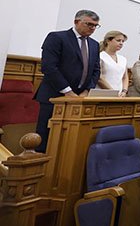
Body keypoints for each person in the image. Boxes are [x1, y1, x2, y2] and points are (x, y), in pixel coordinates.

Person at [34, 9, 101, 152]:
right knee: (45, 136)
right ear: (76, 22)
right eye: (89, 24)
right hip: (54, 95)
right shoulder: (57, 37)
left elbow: (96, 70)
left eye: (96, 25)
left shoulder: (94, 44)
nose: (93, 28)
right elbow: (48, 67)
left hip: (80, 98)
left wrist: (86, 90)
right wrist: (67, 91)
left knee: (69, 140)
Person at [97, 30, 128, 97]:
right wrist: (112, 91)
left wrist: (124, 91)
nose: (121, 43)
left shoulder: (123, 59)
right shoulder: (100, 56)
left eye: (123, 41)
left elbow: (125, 77)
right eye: (118, 40)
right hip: (102, 93)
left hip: (119, 95)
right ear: (108, 41)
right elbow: (99, 77)